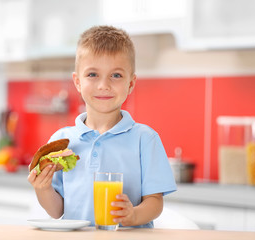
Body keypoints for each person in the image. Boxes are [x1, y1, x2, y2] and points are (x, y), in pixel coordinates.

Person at [28, 25, 176, 228]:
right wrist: (43, 189)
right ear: (77, 82)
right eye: (92, 75)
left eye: (116, 75)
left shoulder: (145, 139)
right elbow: (57, 211)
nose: (103, 85)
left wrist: (133, 215)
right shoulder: (61, 141)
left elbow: (155, 202)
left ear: (131, 84)